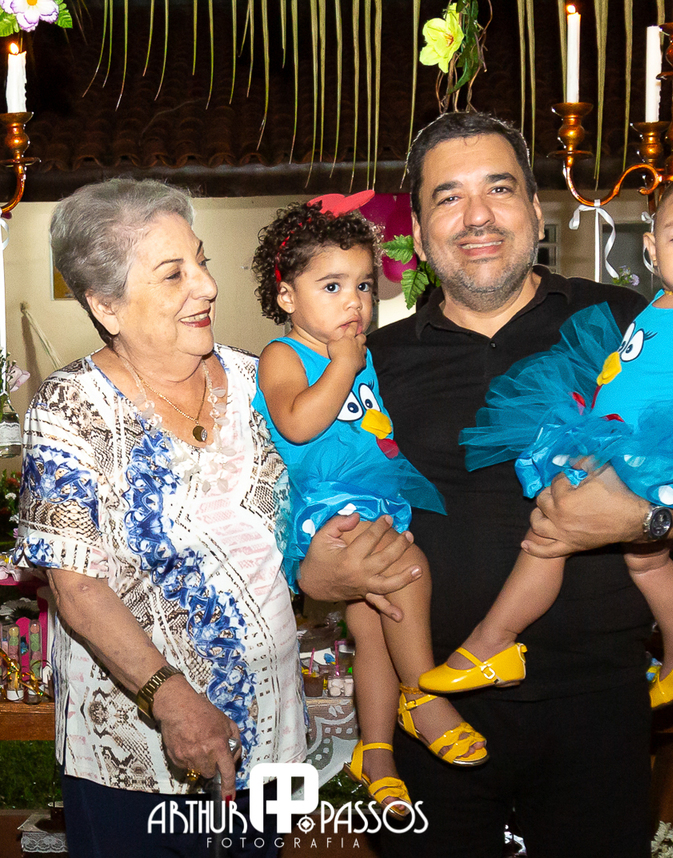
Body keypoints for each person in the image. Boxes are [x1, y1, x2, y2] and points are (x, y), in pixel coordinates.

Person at [295, 112, 673, 858]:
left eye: (498, 189)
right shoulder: (367, 363)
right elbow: (308, 502)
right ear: (419, 234)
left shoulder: (634, 325)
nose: (477, 216)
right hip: (431, 711)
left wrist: (642, 521)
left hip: (596, 708)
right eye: (448, 198)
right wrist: (316, 576)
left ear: (534, 208)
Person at [14, 178, 415, 858]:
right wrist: (170, 699)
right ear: (106, 305)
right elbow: (75, 586)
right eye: (174, 273)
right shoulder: (70, 408)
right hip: (134, 758)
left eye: (201, 261)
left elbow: (309, 534)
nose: (207, 286)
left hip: (274, 738)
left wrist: (335, 568)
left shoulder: (267, 385)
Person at [425, 166, 673, 709]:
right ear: (652, 249)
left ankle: (491, 644)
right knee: (646, 560)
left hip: (659, 447)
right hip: (620, 438)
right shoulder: (661, 306)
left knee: (546, 538)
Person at [250, 195, 496, 820]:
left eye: (363, 285)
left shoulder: (358, 355)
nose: (354, 302)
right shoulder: (285, 355)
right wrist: (342, 367)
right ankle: (424, 694)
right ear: (286, 297)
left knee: (373, 634)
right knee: (408, 572)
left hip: (377, 497)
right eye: (331, 286)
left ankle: (376, 753)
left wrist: (353, 365)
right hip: (330, 506)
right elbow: (297, 424)